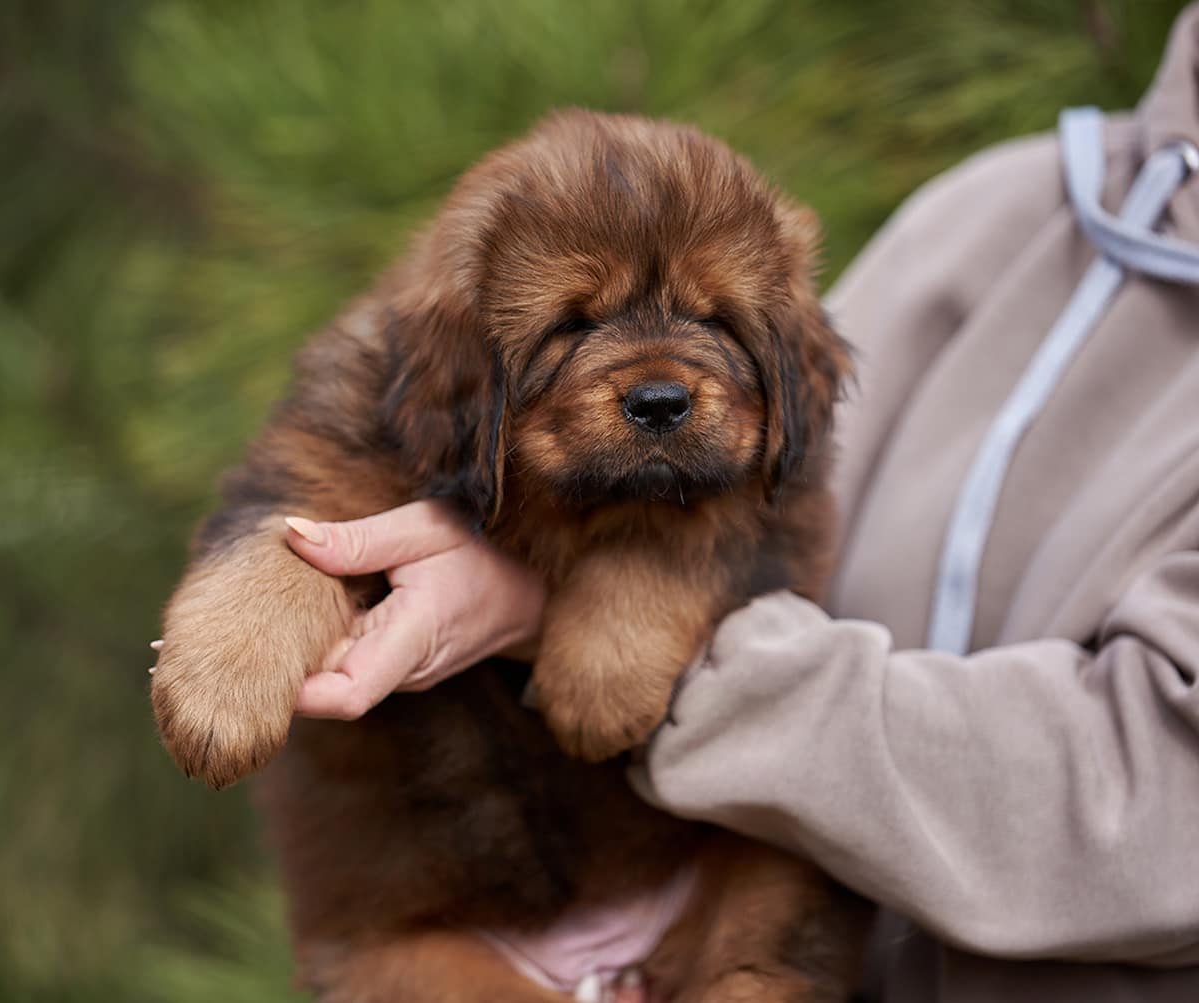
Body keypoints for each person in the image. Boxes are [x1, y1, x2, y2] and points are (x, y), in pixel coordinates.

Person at [279, 6, 1199, 1000]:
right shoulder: (994, 210)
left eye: (710, 319)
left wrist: (622, 637)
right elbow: (770, 495)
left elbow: (1156, 814)